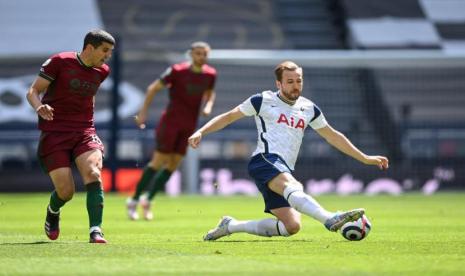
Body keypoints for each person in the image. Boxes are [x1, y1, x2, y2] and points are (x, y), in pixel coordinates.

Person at [188, 61, 389, 241]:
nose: (295, 86)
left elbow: (332, 135)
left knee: (291, 226)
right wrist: (201, 131)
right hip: (264, 160)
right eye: (290, 81)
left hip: (284, 167)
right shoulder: (262, 100)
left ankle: (230, 226)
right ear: (279, 84)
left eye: (299, 81)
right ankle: (330, 218)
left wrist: (364, 158)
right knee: (293, 186)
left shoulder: (309, 108)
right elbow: (228, 117)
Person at [26, 29, 115, 243]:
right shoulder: (60, 61)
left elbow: (89, 96)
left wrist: (89, 123)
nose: (107, 56)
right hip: (55, 132)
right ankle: (53, 210)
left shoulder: (102, 71)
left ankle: (96, 230)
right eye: (105, 50)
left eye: (110, 52)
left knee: (93, 173)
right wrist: (40, 108)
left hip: (84, 130)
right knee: (66, 192)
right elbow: (33, 91)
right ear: (89, 47)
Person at [126, 41, 217, 220]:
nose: (201, 57)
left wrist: (209, 105)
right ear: (191, 54)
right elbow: (153, 88)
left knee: (174, 164)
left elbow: (210, 92)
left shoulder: (210, 74)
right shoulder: (177, 71)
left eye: (204, 54)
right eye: (198, 53)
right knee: (158, 161)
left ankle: (148, 200)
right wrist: (143, 112)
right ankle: (134, 200)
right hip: (170, 123)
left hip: (189, 125)